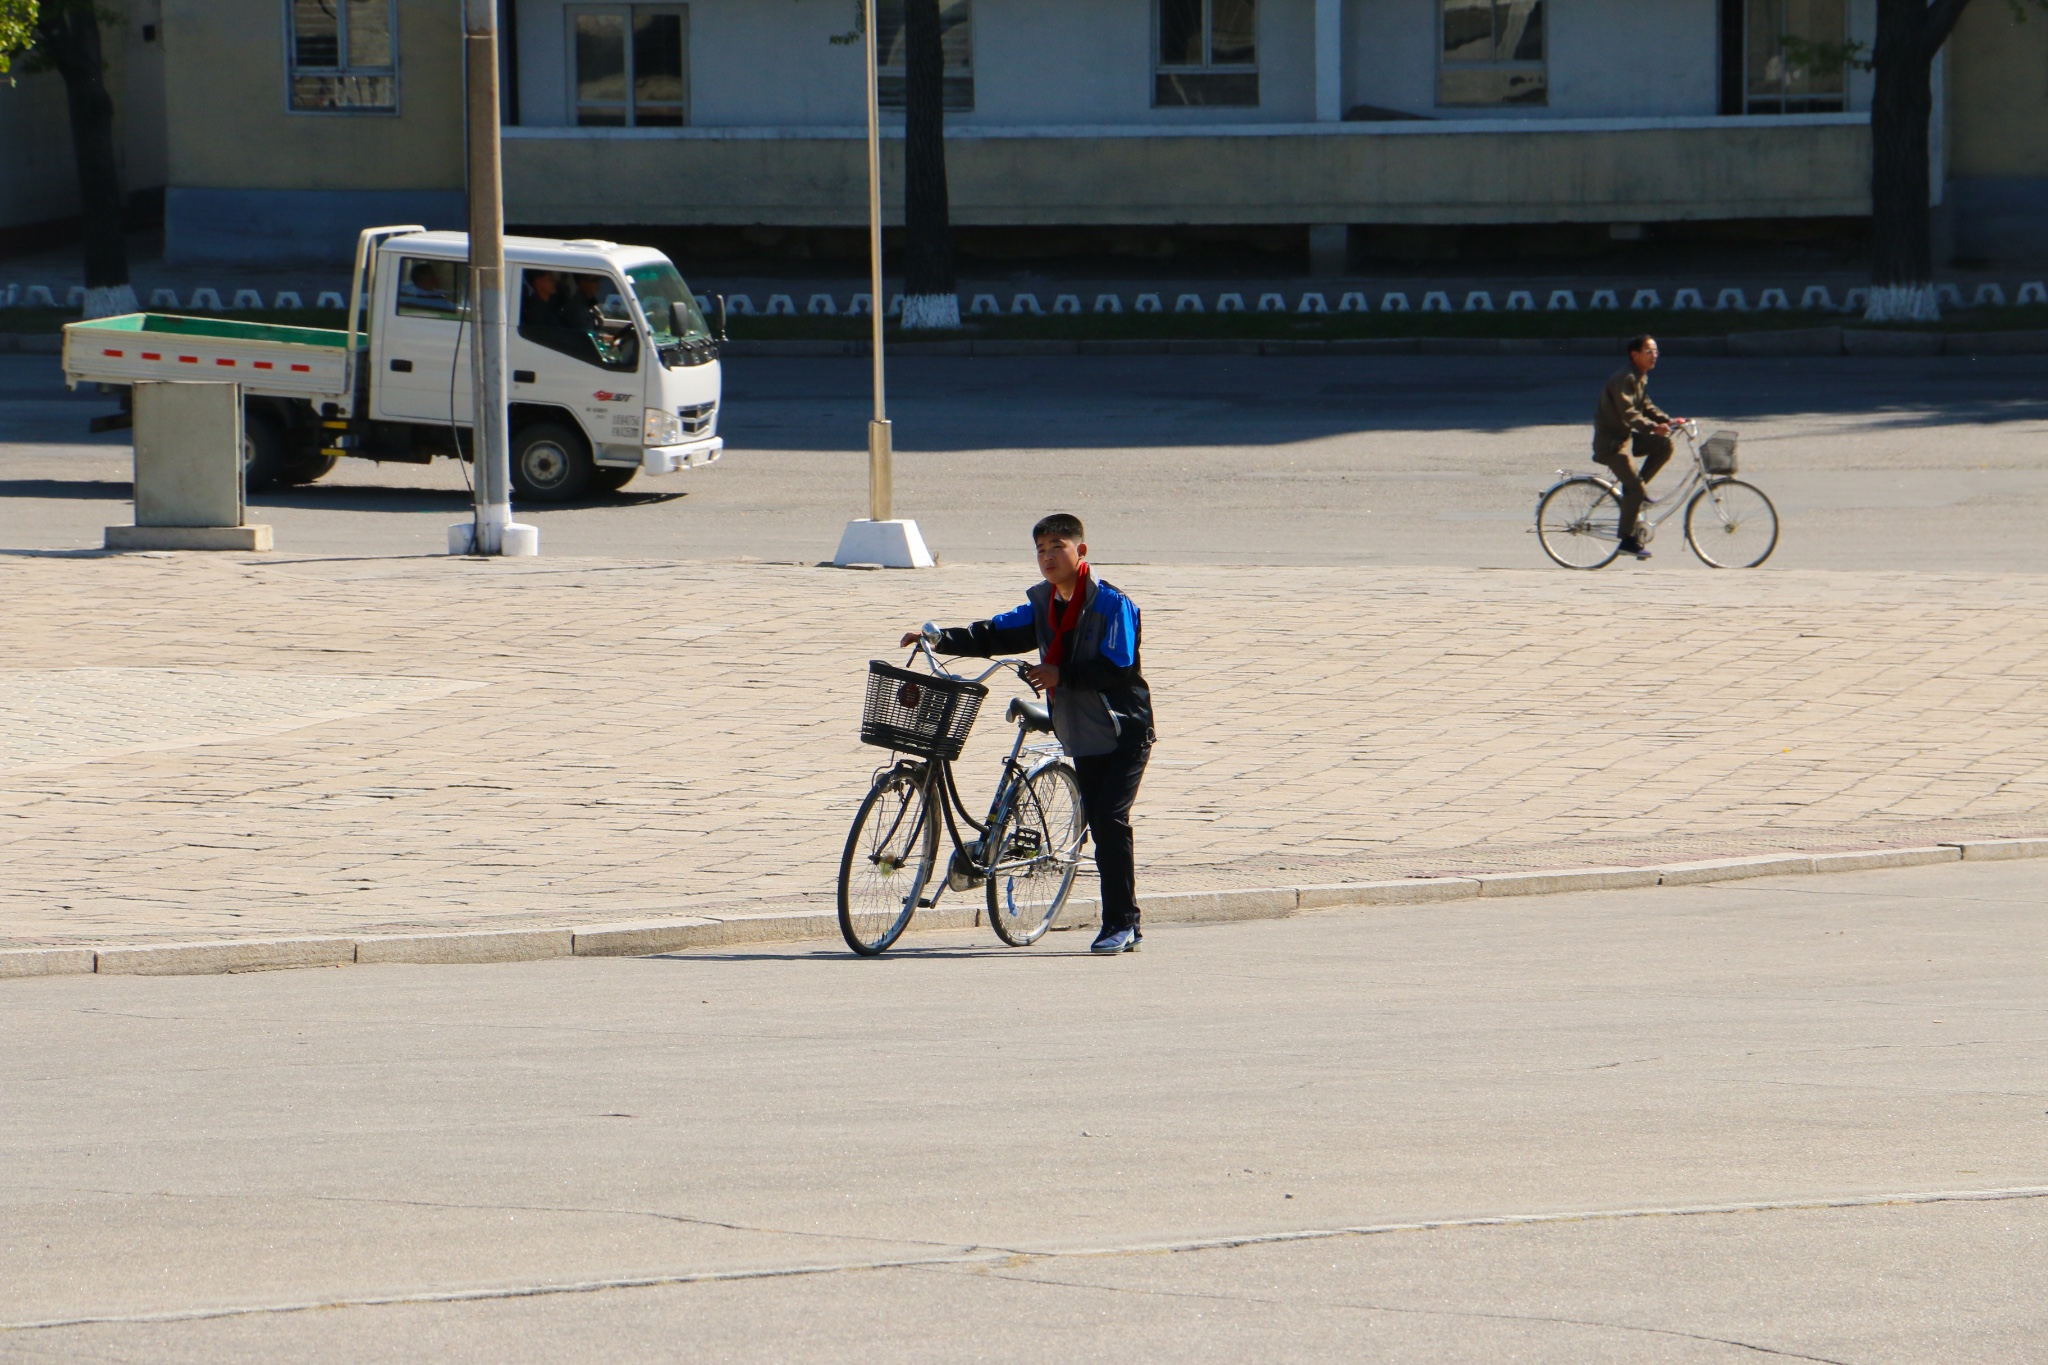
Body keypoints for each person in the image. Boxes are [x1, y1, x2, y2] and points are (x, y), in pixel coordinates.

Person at [901, 513, 1155, 955]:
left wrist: (1061, 673)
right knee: (1099, 822)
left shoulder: (1113, 604)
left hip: (1122, 731)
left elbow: (1120, 667)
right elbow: (996, 633)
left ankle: (1122, 923)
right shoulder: (1042, 602)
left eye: (1057, 546)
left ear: (1082, 551)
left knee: (1109, 822)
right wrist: (943, 640)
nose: (1047, 556)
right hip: (1081, 731)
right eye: (1040, 549)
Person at [1594, 335, 1687, 561]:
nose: (1654, 355)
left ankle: (1637, 490)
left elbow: (1646, 407)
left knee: (1664, 445)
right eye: (1649, 351)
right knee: (1634, 489)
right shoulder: (1625, 378)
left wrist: (1669, 421)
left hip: (1626, 438)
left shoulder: (1640, 377)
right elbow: (1630, 413)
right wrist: (1654, 427)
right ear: (1634, 355)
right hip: (1612, 444)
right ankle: (1627, 540)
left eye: (1655, 351)